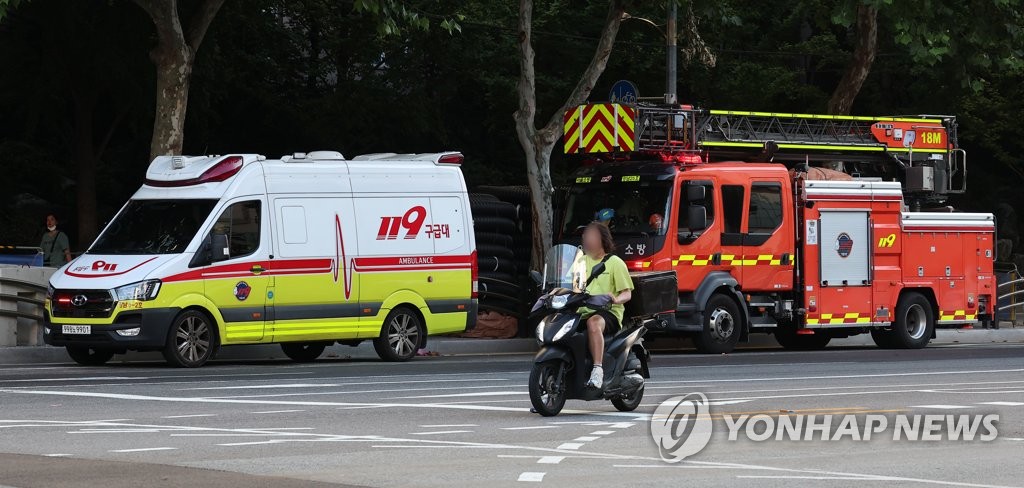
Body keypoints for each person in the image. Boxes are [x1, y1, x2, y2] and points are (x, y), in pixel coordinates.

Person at [573, 222, 633, 389]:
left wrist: (616, 299)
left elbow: (627, 293)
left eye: (591, 235)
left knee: (593, 323)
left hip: (607, 312)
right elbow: (571, 286)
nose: (586, 238)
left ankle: (598, 370)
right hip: (582, 310)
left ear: (602, 239)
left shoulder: (615, 262)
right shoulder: (580, 262)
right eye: (585, 236)